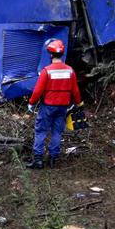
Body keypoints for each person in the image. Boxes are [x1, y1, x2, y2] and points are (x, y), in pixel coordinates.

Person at [27, 39, 81, 169]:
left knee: (41, 131)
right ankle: (53, 159)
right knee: (57, 131)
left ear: (51, 54)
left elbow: (38, 91)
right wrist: (78, 103)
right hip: (63, 107)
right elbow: (75, 90)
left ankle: (38, 160)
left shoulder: (47, 71)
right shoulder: (70, 71)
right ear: (62, 54)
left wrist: (31, 103)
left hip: (48, 106)